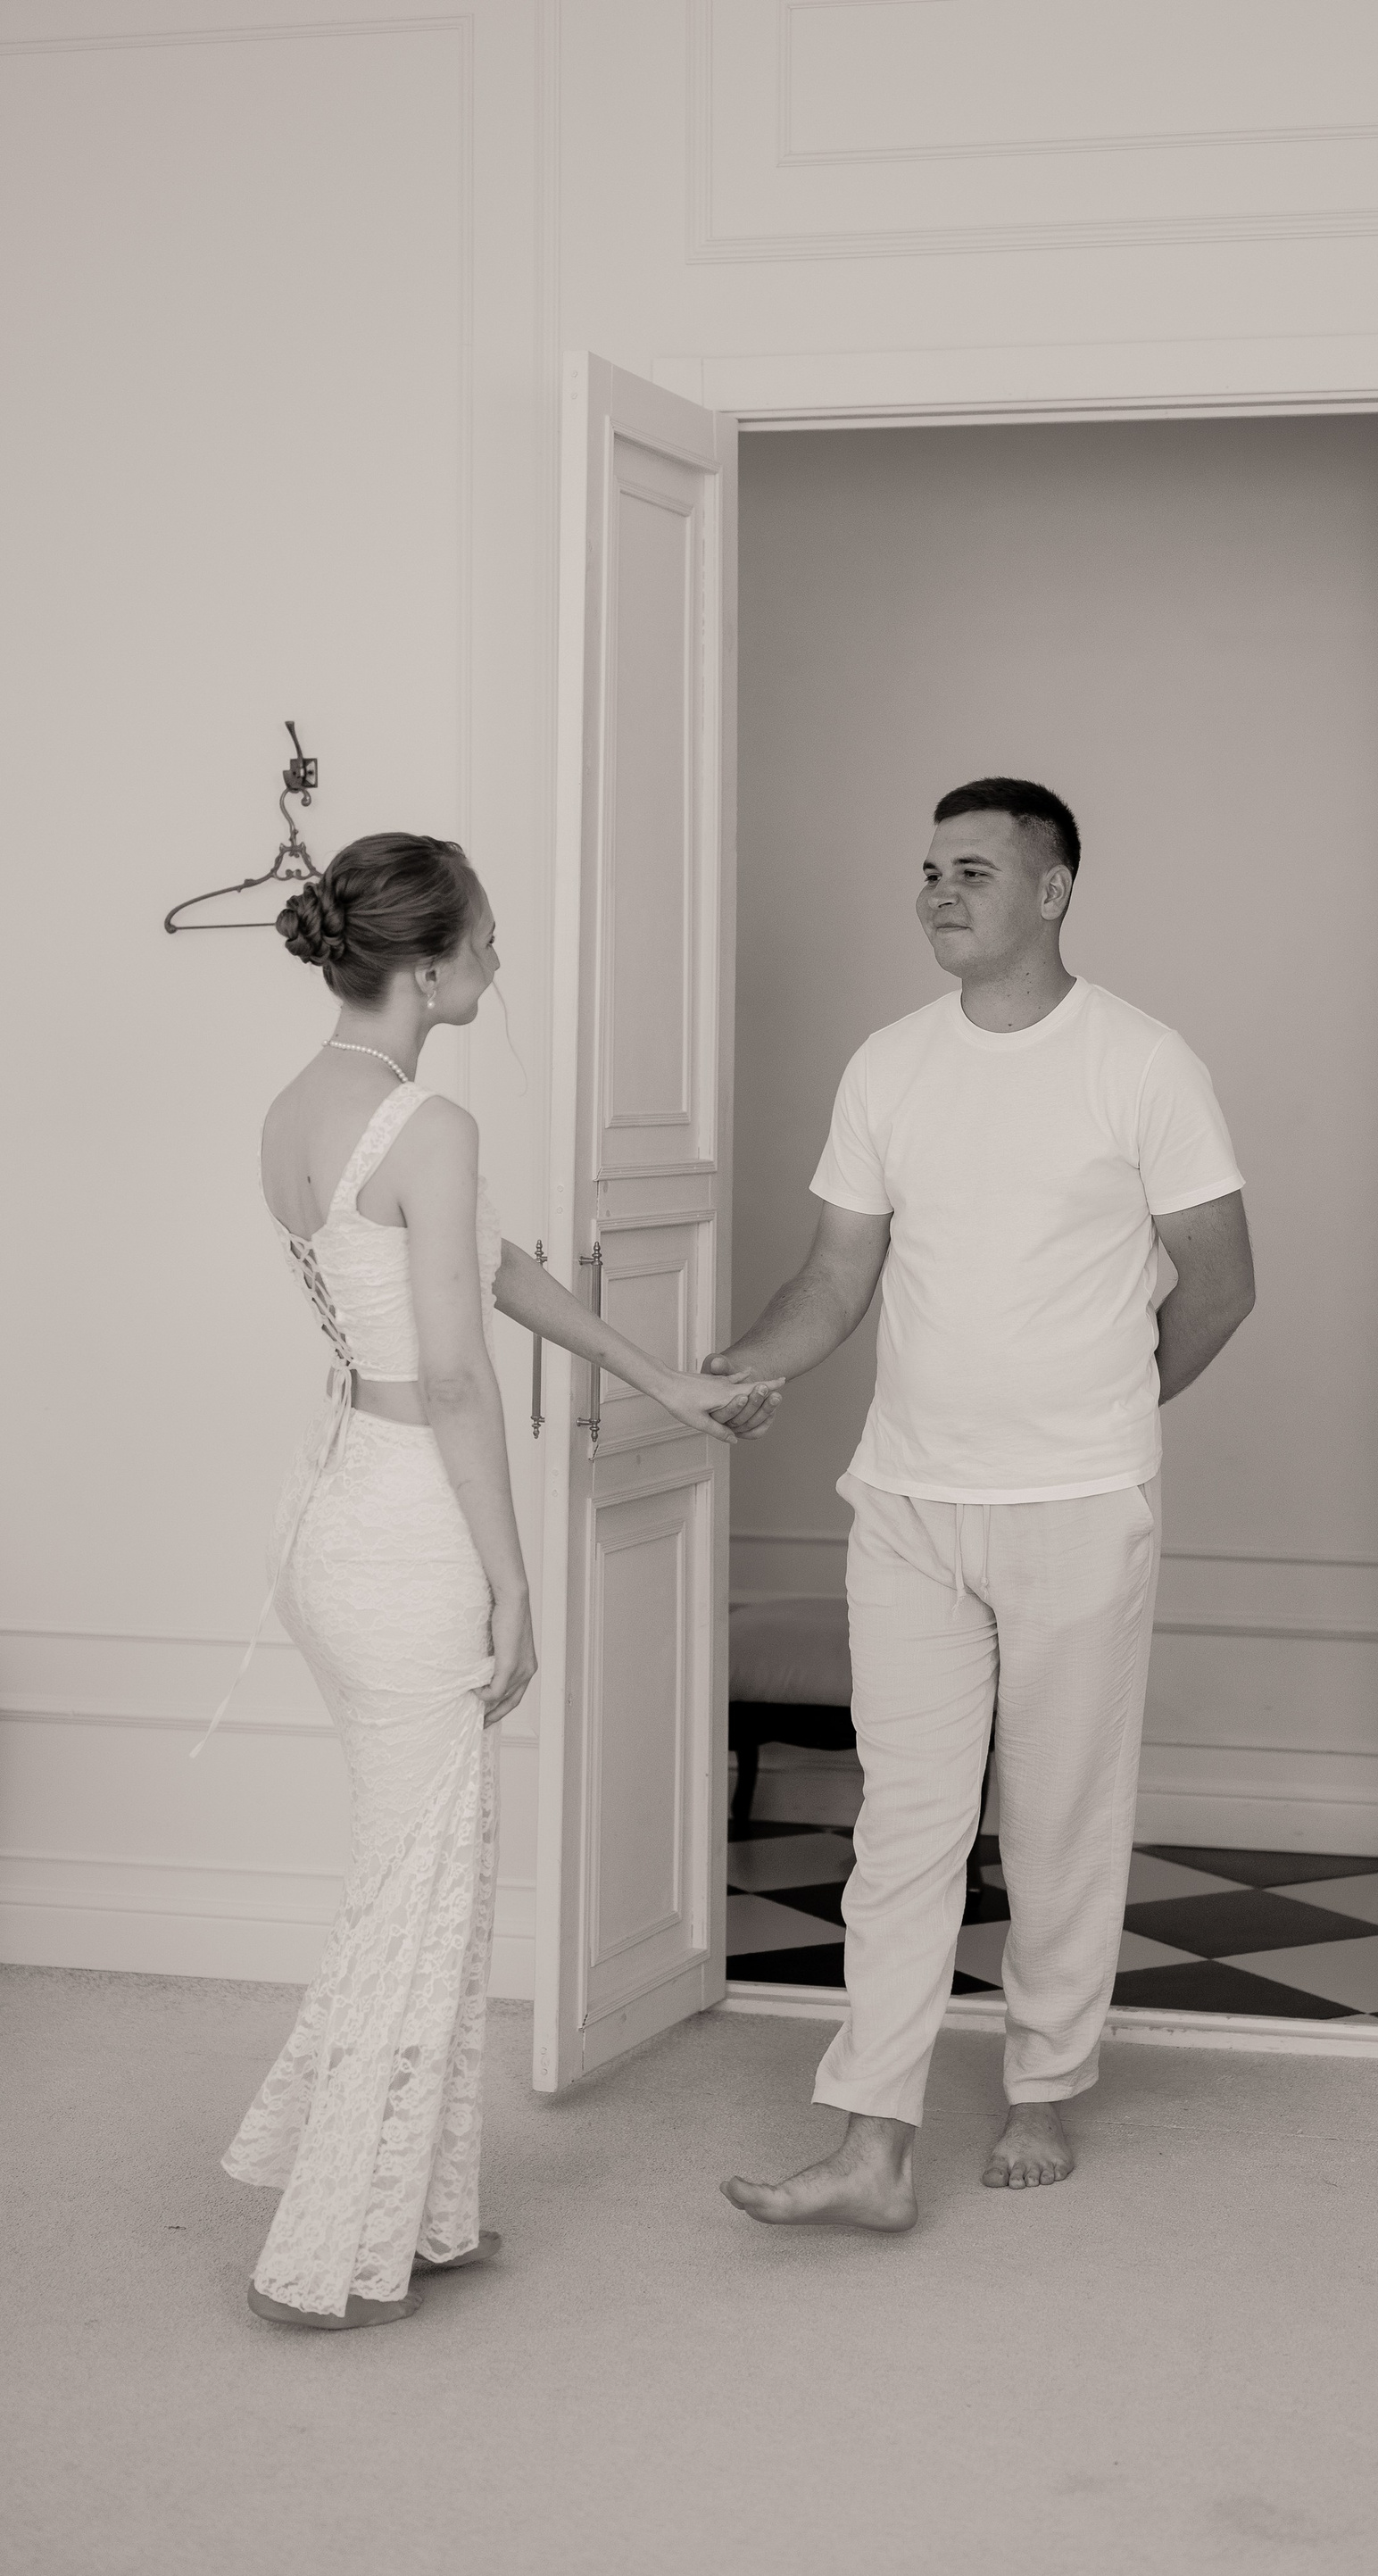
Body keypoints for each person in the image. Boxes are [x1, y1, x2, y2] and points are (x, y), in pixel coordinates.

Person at [223, 832, 779, 2327]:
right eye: (483, 936)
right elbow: (461, 1376)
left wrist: (664, 1378)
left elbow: (495, 1270)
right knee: (421, 1882)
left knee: (422, 1871)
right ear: (424, 966)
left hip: (331, 1508)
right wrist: (514, 1581)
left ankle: (413, 2208)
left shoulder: (304, 1105)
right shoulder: (429, 1122)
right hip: (406, 1521)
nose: (496, 958)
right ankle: (322, 2256)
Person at [708, 778, 1254, 2230]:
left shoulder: (1141, 1061)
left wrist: (1108, 1413)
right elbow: (835, 1277)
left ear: (1053, 890)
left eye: (973, 871)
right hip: (907, 1500)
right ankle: (871, 2138)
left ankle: (1042, 2087)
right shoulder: (889, 1064)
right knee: (903, 1825)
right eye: (930, 870)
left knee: (1060, 1816)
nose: (939, 893)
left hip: (1078, 1502)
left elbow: (1222, 1282)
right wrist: (742, 1365)